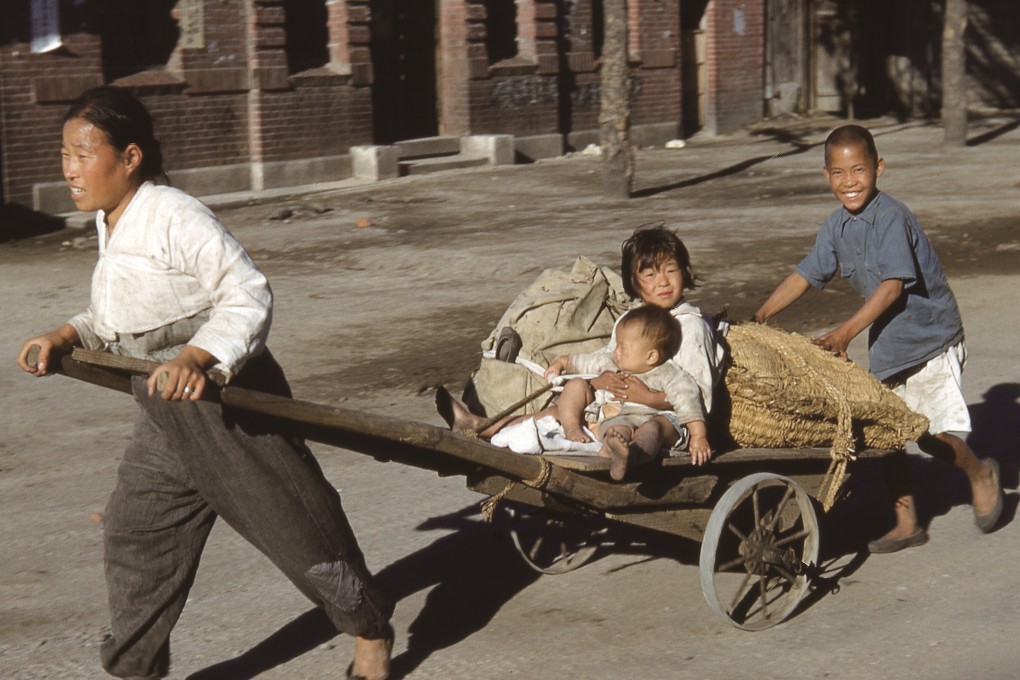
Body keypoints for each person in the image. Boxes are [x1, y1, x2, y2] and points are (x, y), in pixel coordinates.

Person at [16, 86, 394, 680]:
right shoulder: (110, 221)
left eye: (82, 154)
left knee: (295, 527)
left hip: (225, 401)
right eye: (64, 154)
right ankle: (135, 666)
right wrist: (66, 334)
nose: (69, 169)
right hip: (163, 406)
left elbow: (247, 293)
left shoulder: (173, 213)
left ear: (130, 156)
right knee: (136, 530)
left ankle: (369, 630)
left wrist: (196, 358)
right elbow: (123, 319)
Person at [753, 123, 1003, 553]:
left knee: (927, 434)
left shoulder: (891, 218)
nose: (849, 182)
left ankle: (980, 473)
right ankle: (906, 520)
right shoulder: (835, 226)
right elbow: (807, 274)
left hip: (931, 336)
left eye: (859, 170)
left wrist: (844, 334)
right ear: (826, 175)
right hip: (891, 341)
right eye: (838, 173)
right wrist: (760, 316)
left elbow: (891, 287)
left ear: (878, 168)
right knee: (885, 431)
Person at [438, 225, 723, 476]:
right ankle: (482, 426)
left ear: (685, 273)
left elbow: (700, 395)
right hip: (618, 409)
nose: (662, 282)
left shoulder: (690, 327)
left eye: (670, 271)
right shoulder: (631, 318)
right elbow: (609, 357)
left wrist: (648, 397)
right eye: (649, 275)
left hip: (666, 417)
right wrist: (584, 372)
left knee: (652, 429)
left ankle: (631, 454)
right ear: (635, 285)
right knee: (560, 406)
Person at [439, 305, 711, 480]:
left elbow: (688, 399)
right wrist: (562, 363)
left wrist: (698, 436)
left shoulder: (668, 373)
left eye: (623, 348)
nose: (615, 351)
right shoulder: (613, 361)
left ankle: (631, 455)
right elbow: (583, 362)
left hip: (655, 419)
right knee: (587, 397)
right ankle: (599, 440)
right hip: (615, 418)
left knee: (650, 430)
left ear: (651, 356)